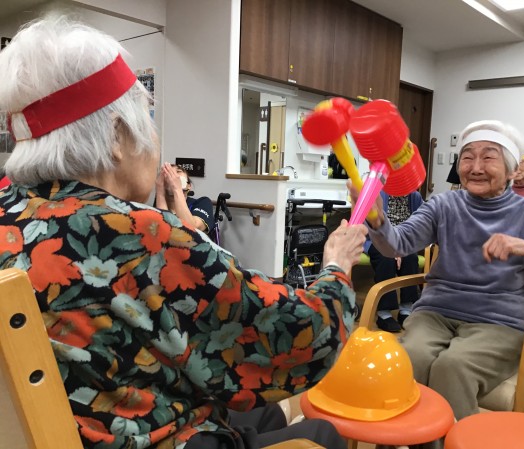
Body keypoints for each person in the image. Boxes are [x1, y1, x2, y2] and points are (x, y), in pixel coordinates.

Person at [0, 16, 368, 449]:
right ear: (117, 135)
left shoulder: (11, 212)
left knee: (262, 412)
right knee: (321, 432)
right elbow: (303, 334)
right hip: (155, 435)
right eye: (148, 119)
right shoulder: (139, 235)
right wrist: (336, 266)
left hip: (86, 418)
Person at [349, 120, 524, 423]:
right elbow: (398, 245)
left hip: (500, 321)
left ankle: (450, 441)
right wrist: (377, 219)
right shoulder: (443, 204)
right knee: (407, 361)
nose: (475, 167)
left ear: (512, 170)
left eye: (489, 157)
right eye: (467, 157)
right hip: (436, 313)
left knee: (452, 367)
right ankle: (403, 439)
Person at [366, 190, 423, 332]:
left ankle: (406, 310)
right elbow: (368, 226)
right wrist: (392, 248)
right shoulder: (378, 194)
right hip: (378, 240)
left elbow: (420, 225)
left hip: (405, 242)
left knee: (411, 258)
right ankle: (384, 314)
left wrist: (401, 248)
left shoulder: (415, 197)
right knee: (386, 258)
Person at [155, 162, 215, 234]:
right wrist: (160, 192)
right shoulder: (159, 202)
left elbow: (191, 229)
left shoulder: (202, 202)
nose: (173, 177)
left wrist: (177, 189)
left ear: (188, 185)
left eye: (178, 171)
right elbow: (163, 230)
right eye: (168, 173)